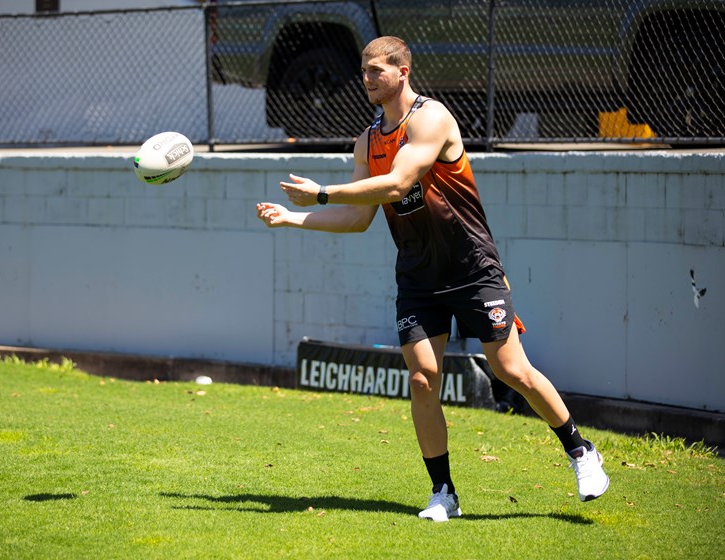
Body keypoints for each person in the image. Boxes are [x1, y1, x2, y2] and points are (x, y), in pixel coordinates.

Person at [256, 36, 609, 522]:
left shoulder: (432, 118)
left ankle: (581, 452)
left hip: (472, 269)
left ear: (403, 71)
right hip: (419, 277)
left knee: (511, 370)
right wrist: (292, 219)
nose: (367, 79)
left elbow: (399, 183)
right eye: (363, 71)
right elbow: (359, 218)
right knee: (423, 378)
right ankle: (444, 492)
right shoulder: (366, 140)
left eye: (376, 70)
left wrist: (322, 193)